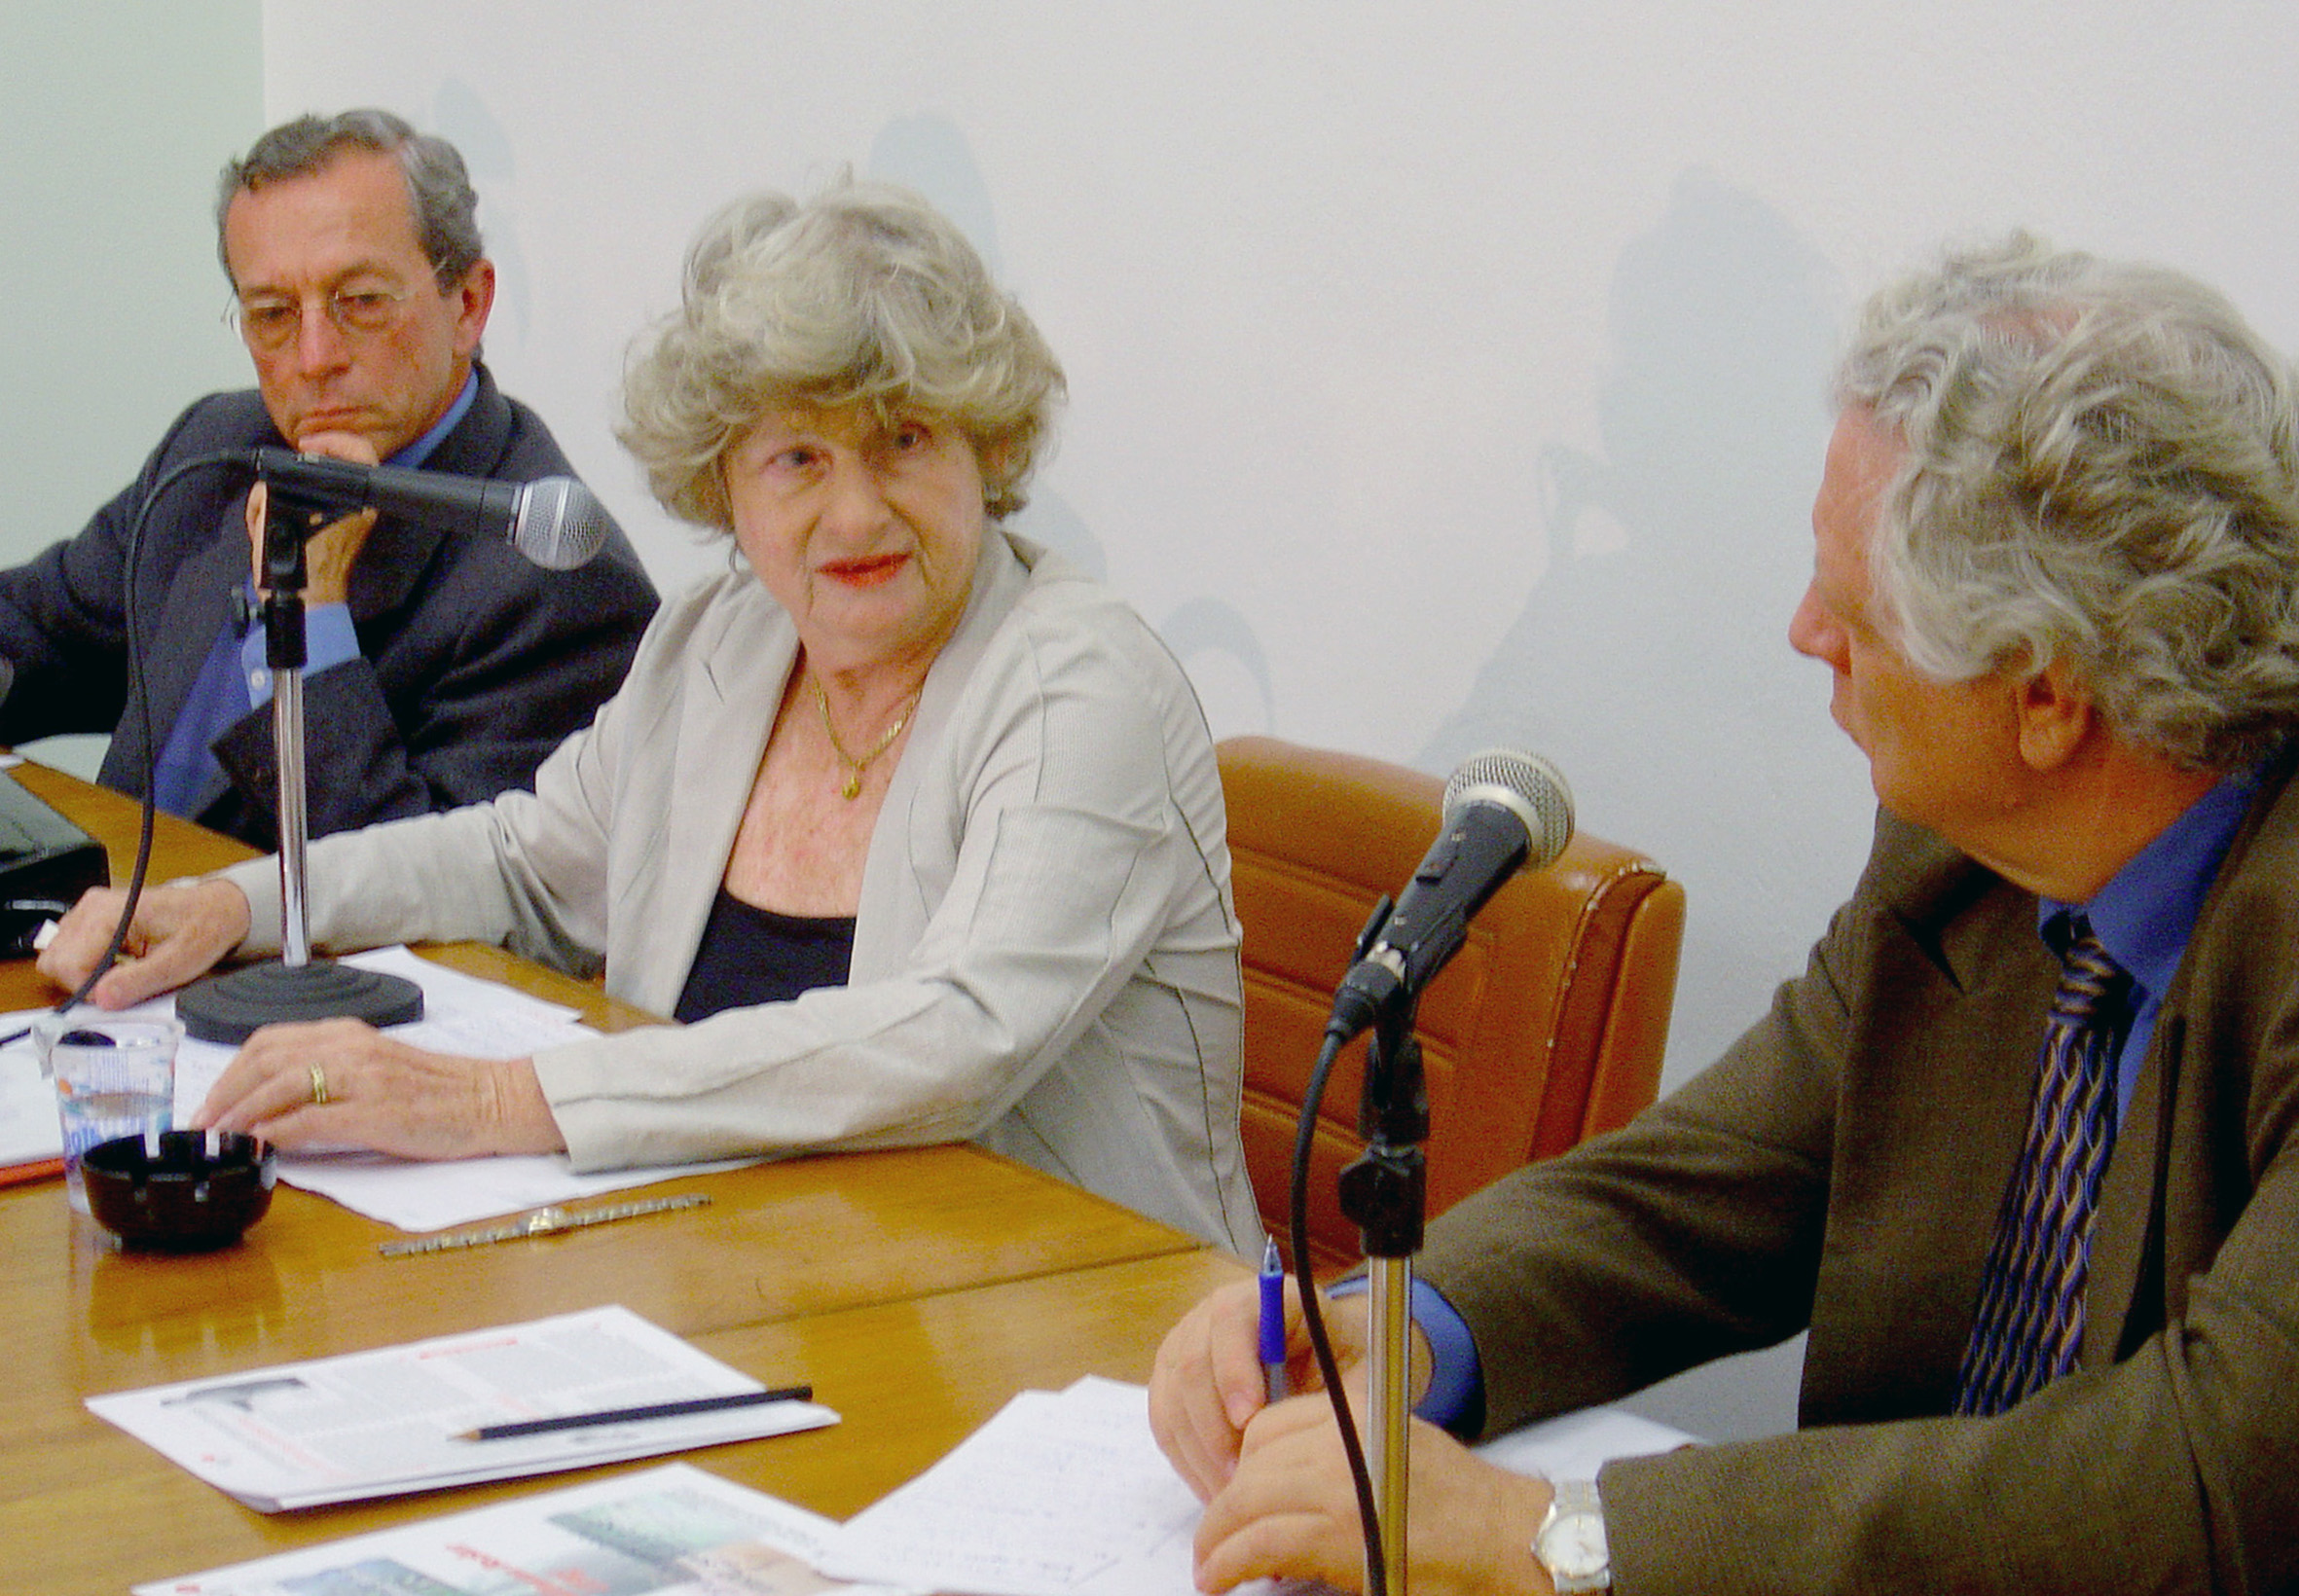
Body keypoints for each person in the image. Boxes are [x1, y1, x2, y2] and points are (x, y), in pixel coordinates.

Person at [1148, 235, 2299, 1594]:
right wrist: (1405, 1328)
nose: (1804, 631)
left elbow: (2219, 1471)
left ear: (2044, 698)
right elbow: (1712, 1187)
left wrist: (1550, 1539)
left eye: (1856, 611)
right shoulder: (1961, 859)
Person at [41, 178, 1260, 1255]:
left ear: (983, 448)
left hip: (1076, 1324)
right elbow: (521, 862)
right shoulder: (724, 638)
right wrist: (231, 906)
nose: (855, 515)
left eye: (902, 442)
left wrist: (485, 1102)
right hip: (767, 1270)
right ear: (721, 483)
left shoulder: (1077, 680)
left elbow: (956, 1036)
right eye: (797, 460)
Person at [0, 109, 657, 850]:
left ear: (467, 304)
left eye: (363, 302)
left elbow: (443, 904)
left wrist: (310, 612)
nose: (314, 357)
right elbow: (34, 635)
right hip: (104, 922)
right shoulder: (217, 446)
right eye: (273, 313)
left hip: (288, 961)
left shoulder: (557, 585)